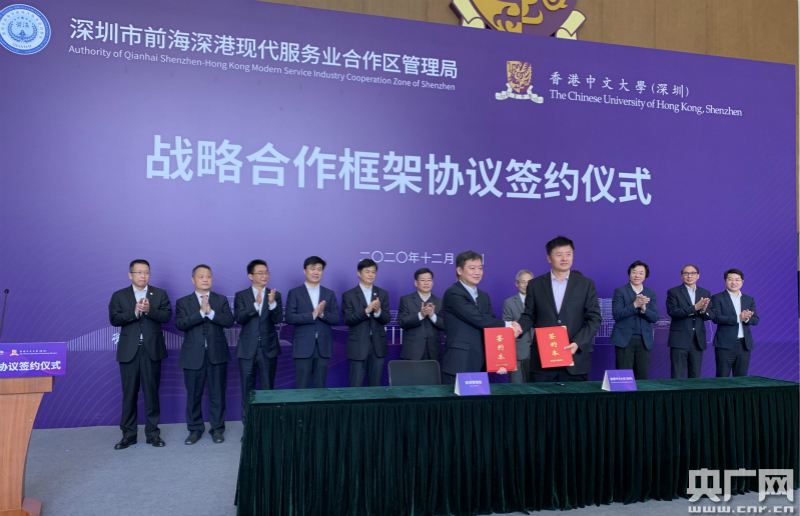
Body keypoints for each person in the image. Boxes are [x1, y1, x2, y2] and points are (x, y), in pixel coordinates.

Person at [518, 237, 601, 382]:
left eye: (568, 254)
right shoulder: (535, 285)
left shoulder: (586, 284)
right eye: (559, 254)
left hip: (575, 358)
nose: (564, 258)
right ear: (549, 258)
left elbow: (594, 319)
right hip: (543, 359)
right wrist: (518, 328)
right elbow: (529, 315)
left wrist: (577, 343)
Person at [108, 259, 172, 449]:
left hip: (151, 350)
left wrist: (150, 310)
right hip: (129, 352)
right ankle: (128, 435)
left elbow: (167, 316)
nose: (143, 276)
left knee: (152, 394)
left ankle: (153, 434)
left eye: (146, 272)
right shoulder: (119, 295)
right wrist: (134, 312)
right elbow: (114, 319)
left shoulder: (159, 294)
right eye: (139, 272)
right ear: (130, 275)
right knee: (129, 395)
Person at [441, 251, 522, 384]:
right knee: (457, 398)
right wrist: (509, 325)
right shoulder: (453, 293)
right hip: (460, 362)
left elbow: (492, 328)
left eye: (480, 268)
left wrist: (500, 361)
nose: (477, 272)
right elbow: (477, 319)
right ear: (459, 270)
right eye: (472, 268)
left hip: (482, 362)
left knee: (477, 398)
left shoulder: (484, 296)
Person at [175, 265, 234, 445]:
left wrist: (211, 312)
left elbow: (229, 321)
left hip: (217, 355)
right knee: (193, 395)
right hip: (193, 356)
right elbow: (181, 324)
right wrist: (201, 313)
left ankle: (217, 430)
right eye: (201, 276)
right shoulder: (183, 302)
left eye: (208, 276)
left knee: (218, 394)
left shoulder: (220, 299)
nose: (205, 279)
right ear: (193, 280)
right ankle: (195, 430)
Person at [233, 260, 282, 423]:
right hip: (247, 349)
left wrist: (272, 304)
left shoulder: (275, 295)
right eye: (260, 273)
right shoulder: (241, 295)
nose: (264, 275)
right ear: (250, 276)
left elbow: (278, 320)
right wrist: (255, 305)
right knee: (247, 390)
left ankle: (267, 426)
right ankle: (248, 426)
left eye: (266, 272)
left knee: (268, 390)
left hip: (268, 348)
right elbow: (239, 318)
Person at [285, 256, 340, 389]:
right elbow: (289, 318)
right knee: (302, 387)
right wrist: (312, 315)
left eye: (319, 269)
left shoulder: (329, 293)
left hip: (323, 348)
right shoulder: (295, 293)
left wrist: (322, 314)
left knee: (320, 387)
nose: (316, 272)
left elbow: (336, 319)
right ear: (305, 271)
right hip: (302, 347)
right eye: (312, 269)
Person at [342, 259, 391, 387]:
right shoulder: (349, 295)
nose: (370, 274)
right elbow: (348, 320)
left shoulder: (382, 294)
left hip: (378, 346)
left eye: (373, 272)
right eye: (367, 271)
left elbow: (387, 319)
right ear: (359, 273)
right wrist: (366, 311)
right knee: (356, 385)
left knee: (375, 386)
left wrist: (378, 312)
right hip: (358, 346)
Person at [609, 261, 659, 380]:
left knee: (642, 377)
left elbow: (655, 318)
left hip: (644, 341)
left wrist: (644, 308)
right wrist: (635, 305)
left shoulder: (650, 293)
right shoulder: (620, 291)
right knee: (624, 377)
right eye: (634, 272)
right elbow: (617, 314)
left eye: (641, 273)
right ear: (629, 274)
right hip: (624, 339)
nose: (637, 275)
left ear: (645, 276)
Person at [666, 264, 713, 378]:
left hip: (697, 340)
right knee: (677, 375)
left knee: (695, 376)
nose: (689, 276)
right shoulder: (673, 292)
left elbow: (711, 314)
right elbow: (673, 312)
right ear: (682, 276)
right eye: (686, 273)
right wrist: (694, 308)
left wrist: (703, 310)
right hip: (679, 339)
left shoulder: (705, 292)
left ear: (698, 276)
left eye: (692, 273)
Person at [711, 269, 759, 377]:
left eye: (737, 280)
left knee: (741, 379)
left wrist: (746, 318)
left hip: (744, 345)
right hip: (725, 345)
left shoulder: (749, 299)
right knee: (722, 378)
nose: (734, 282)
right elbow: (716, 318)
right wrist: (738, 318)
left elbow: (756, 320)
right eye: (730, 279)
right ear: (725, 281)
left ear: (742, 282)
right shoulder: (717, 298)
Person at [397, 268, 444, 361]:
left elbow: (445, 325)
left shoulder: (440, 301)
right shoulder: (406, 300)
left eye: (429, 280)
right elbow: (402, 322)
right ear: (416, 283)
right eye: (422, 280)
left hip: (433, 351)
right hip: (412, 350)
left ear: (432, 282)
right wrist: (420, 315)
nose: (426, 283)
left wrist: (432, 316)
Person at [502, 270, 534, 383]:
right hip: (517, 352)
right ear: (517, 284)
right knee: (517, 388)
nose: (526, 285)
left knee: (538, 388)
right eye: (523, 282)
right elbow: (506, 325)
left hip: (537, 352)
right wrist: (516, 325)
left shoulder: (540, 301)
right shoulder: (509, 302)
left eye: (529, 282)